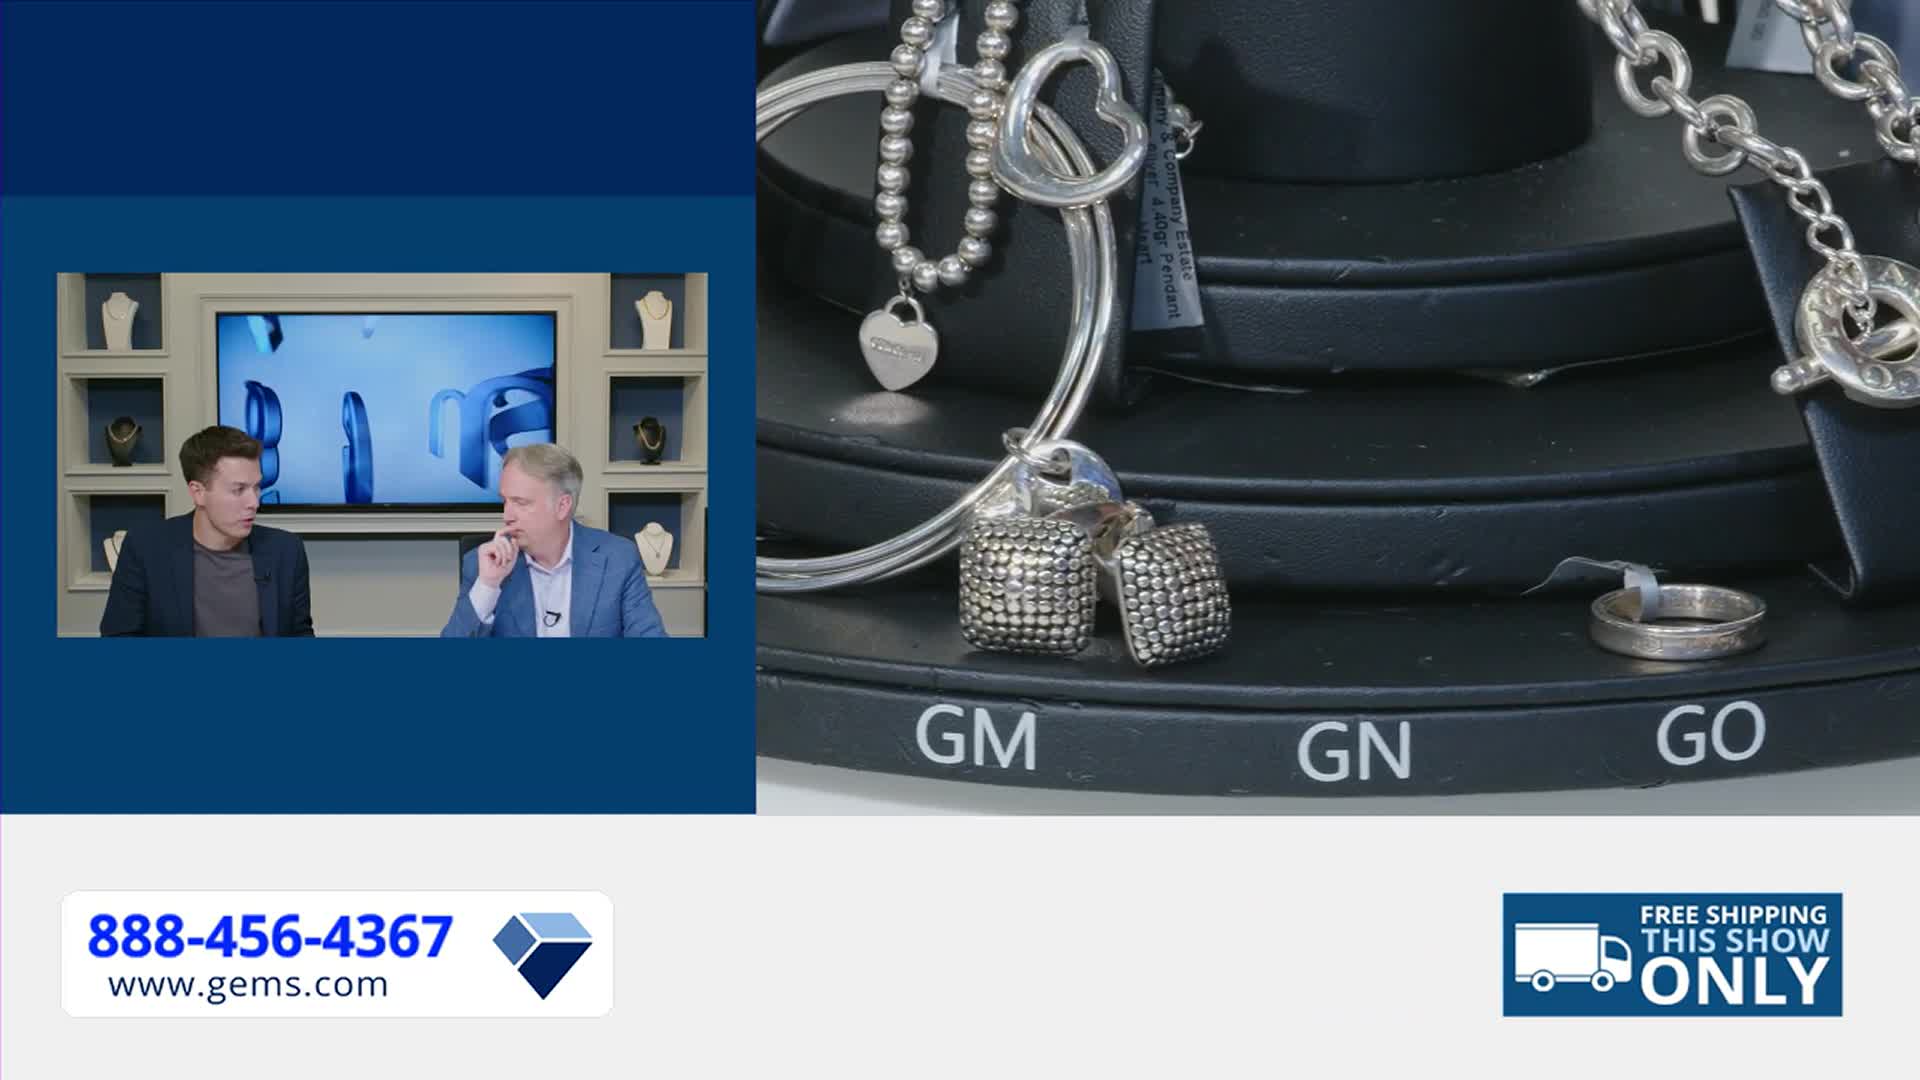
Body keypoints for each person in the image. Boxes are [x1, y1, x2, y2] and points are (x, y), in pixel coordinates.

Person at [99, 425, 315, 637]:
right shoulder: (145, 549)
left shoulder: (286, 551)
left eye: (257, 487)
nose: (254, 502)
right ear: (198, 493)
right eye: (239, 490)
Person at [441, 443, 667, 638]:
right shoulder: (481, 565)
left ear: (562, 506)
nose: (507, 516)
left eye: (521, 502)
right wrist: (488, 585)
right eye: (505, 501)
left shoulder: (618, 559)